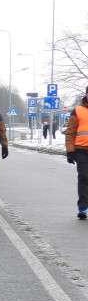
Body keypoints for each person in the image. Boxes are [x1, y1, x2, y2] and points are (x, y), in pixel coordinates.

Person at [65, 84, 88, 219]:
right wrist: (70, 151)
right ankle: (83, 208)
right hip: (81, 150)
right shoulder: (77, 111)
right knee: (84, 177)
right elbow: (70, 132)